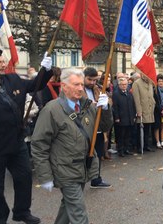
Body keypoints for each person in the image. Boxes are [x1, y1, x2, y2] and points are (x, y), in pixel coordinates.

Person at [0, 48, 53, 224]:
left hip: (16, 141)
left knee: (24, 177)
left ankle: (21, 211)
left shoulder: (13, 79)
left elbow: (36, 86)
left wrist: (45, 71)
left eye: (3, 61)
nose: (3, 64)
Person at [31, 68, 109, 224]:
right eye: (75, 84)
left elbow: (105, 126)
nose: (80, 88)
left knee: (69, 205)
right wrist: (44, 176)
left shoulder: (88, 107)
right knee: (78, 213)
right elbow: (39, 145)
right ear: (64, 86)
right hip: (65, 169)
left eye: (81, 84)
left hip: (83, 166)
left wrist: (105, 110)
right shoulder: (51, 110)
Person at [81, 67, 113, 188]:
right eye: (89, 79)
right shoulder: (78, 89)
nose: (92, 83)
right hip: (83, 128)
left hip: (97, 127)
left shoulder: (99, 89)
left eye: (95, 80)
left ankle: (96, 178)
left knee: (98, 153)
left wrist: (105, 105)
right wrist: (92, 105)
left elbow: (109, 102)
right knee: (82, 153)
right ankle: (80, 178)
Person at [112, 78, 136, 156]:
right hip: (121, 118)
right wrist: (117, 118)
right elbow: (115, 107)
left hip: (129, 117)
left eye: (125, 84)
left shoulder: (129, 93)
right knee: (121, 135)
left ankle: (126, 149)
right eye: (122, 84)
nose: (124, 86)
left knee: (128, 135)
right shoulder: (116, 94)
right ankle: (120, 150)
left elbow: (132, 105)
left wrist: (133, 116)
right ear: (119, 85)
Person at [132, 74, 156, 152]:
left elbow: (151, 96)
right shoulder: (136, 83)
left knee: (147, 129)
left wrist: (153, 104)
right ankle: (139, 146)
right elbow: (136, 98)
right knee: (140, 130)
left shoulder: (150, 83)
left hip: (149, 109)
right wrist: (139, 111)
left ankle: (146, 145)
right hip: (142, 109)